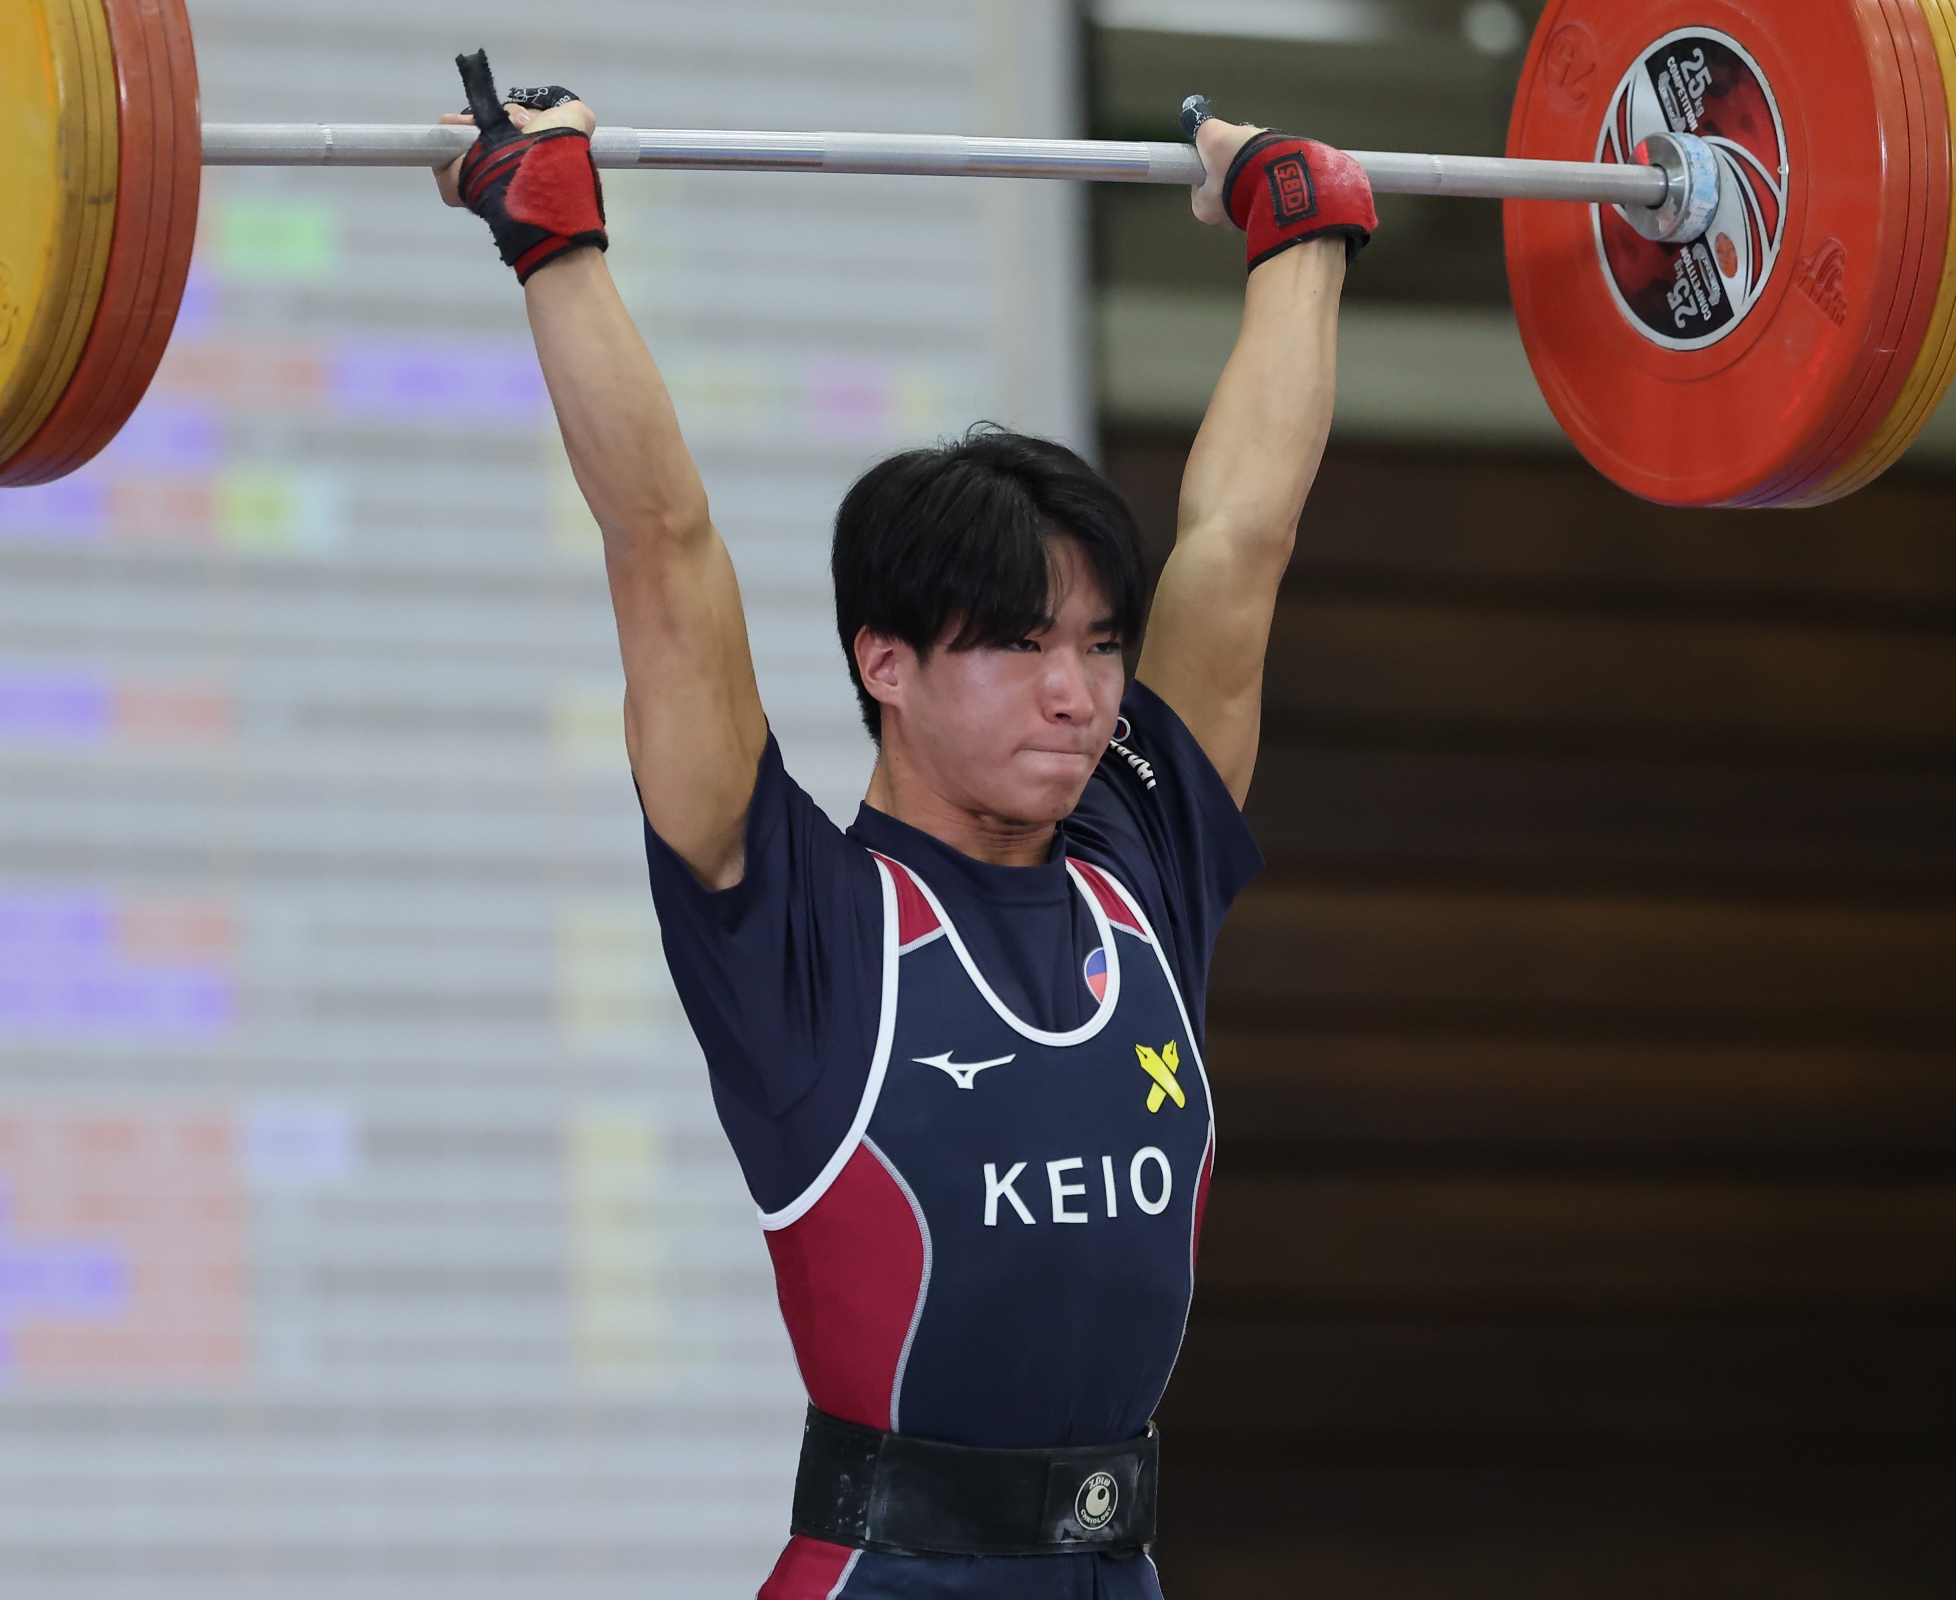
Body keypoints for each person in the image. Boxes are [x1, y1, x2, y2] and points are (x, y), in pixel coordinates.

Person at [438, 54, 1375, 1600]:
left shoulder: (1141, 865)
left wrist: (1302, 231)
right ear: (885, 662)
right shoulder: (797, 916)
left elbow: (1241, 538)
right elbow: (662, 543)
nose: (1078, 694)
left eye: (1100, 647)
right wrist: (553, 237)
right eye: (1017, 646)